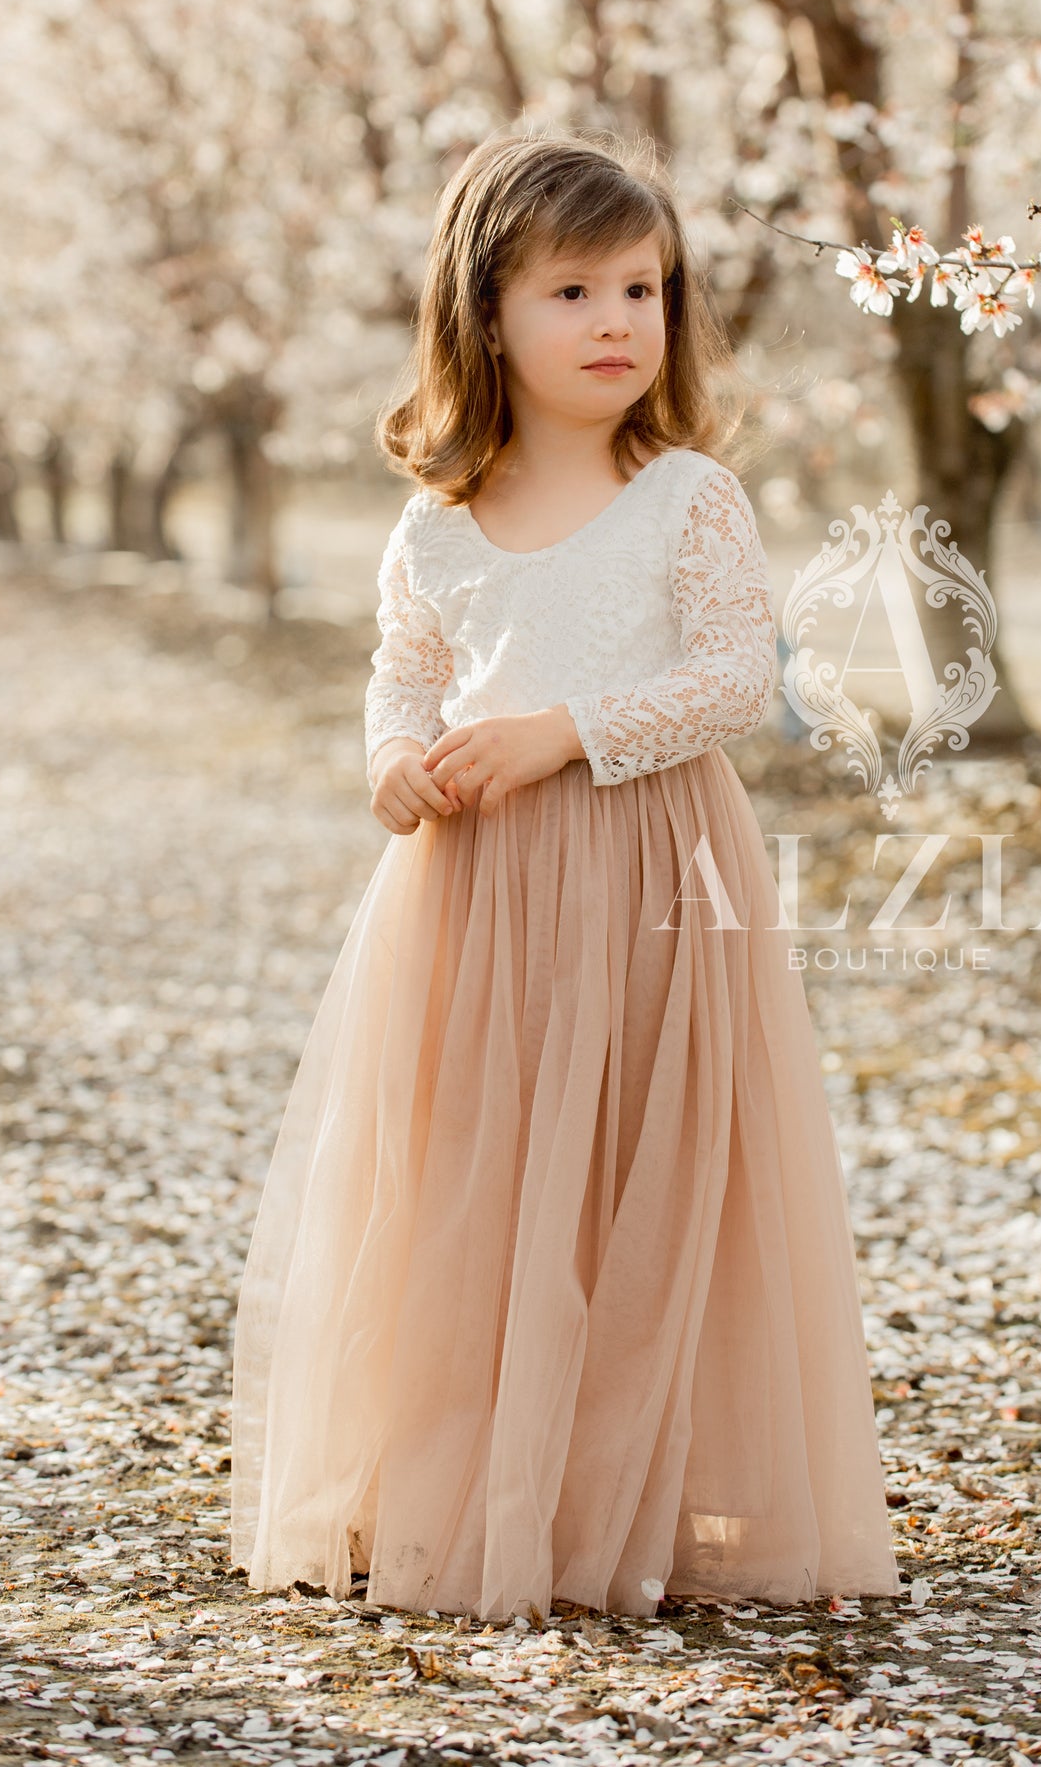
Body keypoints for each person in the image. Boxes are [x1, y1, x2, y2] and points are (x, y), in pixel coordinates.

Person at [230, 127, 901, 1621]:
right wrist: (395, 765)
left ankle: (632, 1492)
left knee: (638, 1168)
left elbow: (735, 679)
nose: (616, 323)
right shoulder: (439, 525)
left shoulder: (685, 500)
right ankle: (479, 1483)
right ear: (483, 314)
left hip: (655, 866)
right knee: (480, 1180)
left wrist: (563, 734)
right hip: (473, 893)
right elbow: (400, 681)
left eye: (643, 289)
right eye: (573, 292)